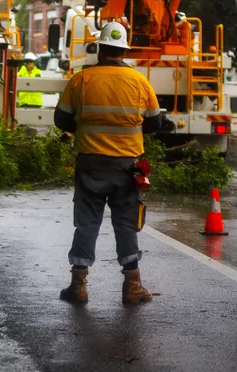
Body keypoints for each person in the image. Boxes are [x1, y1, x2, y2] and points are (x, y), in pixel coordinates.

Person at [54, 22, 168, 304]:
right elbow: (155, 122)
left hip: (90, 163)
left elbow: (61, 119)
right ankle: (133, 286)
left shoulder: (82, 80)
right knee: (126, 224)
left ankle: (78, 285)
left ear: (101, 48)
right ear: (123, 50)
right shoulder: (139, 82)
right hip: (126, 166)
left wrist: (83, 126)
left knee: (87, 223)